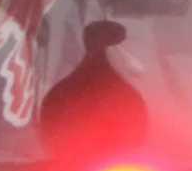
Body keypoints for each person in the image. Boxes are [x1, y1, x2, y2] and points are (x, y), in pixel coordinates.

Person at [37, 20, 148, 161]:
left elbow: (50, 130)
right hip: (108, 166)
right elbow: (135, 136)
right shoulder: (127, 93)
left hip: (73, 165)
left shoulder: (61, 91)